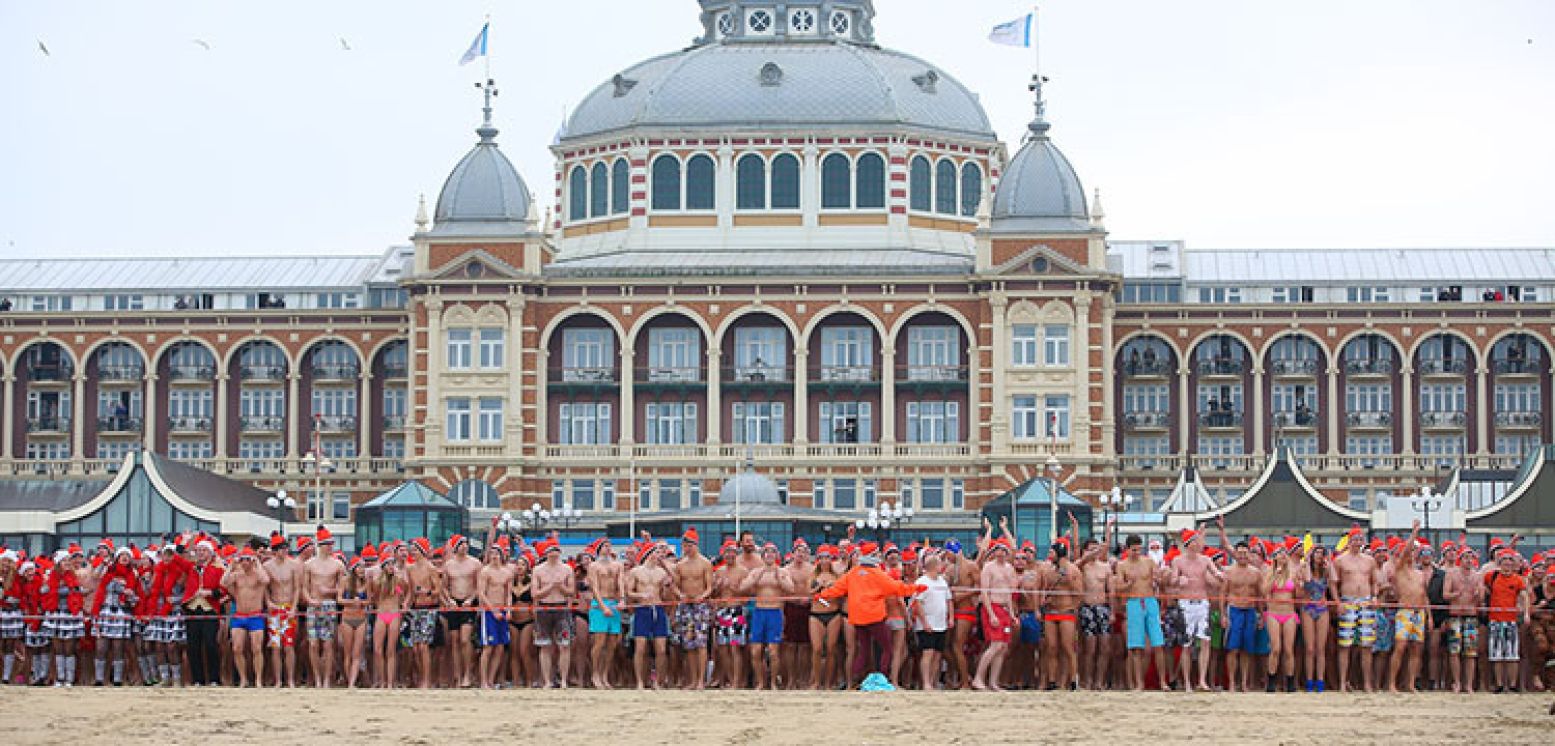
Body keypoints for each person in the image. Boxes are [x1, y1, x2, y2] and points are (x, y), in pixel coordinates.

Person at [815, 542, 922, 686]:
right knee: (887, 648)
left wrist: (822, 595)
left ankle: (852, 680)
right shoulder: (878, 574)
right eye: (877, 554)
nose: (879, 556)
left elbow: (837, 589)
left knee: (864, 651)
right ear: (873, 556)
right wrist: (916, 588)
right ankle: (881, 678)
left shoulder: (852, 573)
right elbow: (897, 588)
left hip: (857, 618)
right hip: (874, 617)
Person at [1168, 528, 1223, 692]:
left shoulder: (1205, 560)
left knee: (1205, 642)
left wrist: (1220, 576)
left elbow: (1215, 573)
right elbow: (1172, 580)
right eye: (1196, 541)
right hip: (1186, 604)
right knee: (1187, 644)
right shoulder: (1178, 561)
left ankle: (1202, 680)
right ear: (1188, 544)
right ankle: (1186, 682)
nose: (1199, 544)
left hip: (1202, 603)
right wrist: (1179, 580)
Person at [1331, 525, 1381, 692]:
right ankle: (1342, 682)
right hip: (1348, 601)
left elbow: (1374, 582)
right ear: (1349, 541)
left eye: (1360, 539)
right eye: (1354, 539)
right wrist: (1338, 602)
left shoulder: (1369, 560)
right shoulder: (1340, 560)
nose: (1357, 542)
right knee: (1345, 645)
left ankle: (1367, 683)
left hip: (1366, 602)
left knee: (1366, 645)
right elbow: (1333, 583)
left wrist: (1374, 597)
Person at [1115, 535, 1169, 691]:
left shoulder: (1149, 562)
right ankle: (1139, 683)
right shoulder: (1122, 566)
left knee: (1158, 644)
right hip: (1133, 603)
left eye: (1139, 549)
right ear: (1127, 549)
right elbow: (1118, 587)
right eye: (1133, 550)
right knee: (1136, 646)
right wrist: (1128, 584)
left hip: (1150, 601)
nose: (1137, 552)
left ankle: (1162, 682)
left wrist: (1158, 579)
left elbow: (1160, 579)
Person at [739, 543, 795, 690]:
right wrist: (756, 579)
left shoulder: (782, 572)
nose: (769, 555)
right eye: (767, 552)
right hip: (759, 612)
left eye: (772, 552)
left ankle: (773, 682)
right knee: (756, 650)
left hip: (774, 612)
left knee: (773, 651)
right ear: (762, 556)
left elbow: (791, 589)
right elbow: (743, 587)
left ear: (776, 555)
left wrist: (779, 578)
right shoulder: (756, 572)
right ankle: (760, 682)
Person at [1386, 522, 1429, 694]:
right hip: (1405, 611)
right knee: (1400, 647)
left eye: (1413, 552)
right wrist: (1414, 533)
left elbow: (1424, 595)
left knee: (1416, 649)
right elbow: (1404, 554)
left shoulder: (1420, 574)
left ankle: (1410, 683)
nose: (1411, 555)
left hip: (1419, 612)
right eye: (1409, 552)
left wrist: (1429, 615)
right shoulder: (1399, 569)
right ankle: (1392, 683)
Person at [625, 542, 675, 689]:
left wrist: (667, 587)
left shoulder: (662, 572)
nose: (658, 556)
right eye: (655, 552)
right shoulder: (636, 571)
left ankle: (658, 681)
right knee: (640, 647)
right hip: (642, 609)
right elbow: (629, 592)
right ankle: (640, 681)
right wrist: (641, 595)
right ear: (648, 554)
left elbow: (666, 594)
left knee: (661, 648)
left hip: (658, 608)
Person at [302, 527, 345, 688]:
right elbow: (304, 587)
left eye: (331, 544)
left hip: (329, 606)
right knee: (313, 644)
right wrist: (309, 600)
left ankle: (327, 679)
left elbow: (342, 590)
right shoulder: (309, 564)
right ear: (320, 545)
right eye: (327, 544)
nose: (330, 547)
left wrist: (330, 591)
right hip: (314, 605)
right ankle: (318, 678)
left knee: (328, 644)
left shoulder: (338, 565)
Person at [222, 548, 270, 688]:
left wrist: (257, 563)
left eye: (247, 560)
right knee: (237, 648)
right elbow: (224, 582)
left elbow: (265, 580)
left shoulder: (258, 575)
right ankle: (243, 678)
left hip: (255, 615)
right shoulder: (237, 575)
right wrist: (231, 566)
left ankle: (258, 679)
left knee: (256, 648)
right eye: (242, 560)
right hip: (240, 615)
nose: (245, 563)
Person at [532, 539, 577, 689]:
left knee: (564, 645)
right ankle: (547, 681)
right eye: (551, 550)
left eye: (556, 550)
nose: (554, 553)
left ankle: (563, 679)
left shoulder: (566, 569)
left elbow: (571, 592)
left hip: (561, 608)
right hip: (544, 608)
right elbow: (535, 594)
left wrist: (561, 587)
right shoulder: (538, 570)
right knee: (545, 646)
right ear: (546, 553)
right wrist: (551, 586)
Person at [673, 529, 715, 690]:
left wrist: (702, 597)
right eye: (684, 546)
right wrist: (681, 595)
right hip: (686, 606)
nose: (686, 549)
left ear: (695, 545)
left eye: (689, 546)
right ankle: (692, 679)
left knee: (701, 643)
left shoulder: (705, 563)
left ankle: (700, 680)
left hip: (700, 605)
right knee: (688, 643)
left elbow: (709, 587)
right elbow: (676, 587)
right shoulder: (680, 565)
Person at [441, 534, 482, 689]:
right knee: (455, 641)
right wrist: (448, 600)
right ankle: (457, 676)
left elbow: (479, 586)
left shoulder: (475, 563)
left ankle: (467, 674)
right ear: (455, 547)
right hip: (454, 604)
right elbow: (444, 587)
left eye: (466, 543)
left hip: (468, 603)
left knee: (465, 640)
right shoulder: (448, 565)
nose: (464, 546)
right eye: (461, 544)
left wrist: (471, 599)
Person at [1487, 549, 1531, 693]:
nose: (1507, 567)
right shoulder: (1491, 576)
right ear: (1499, 565)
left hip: (1511, 620)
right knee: (1496, 654)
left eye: (1509, 564)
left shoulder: (1518, 580)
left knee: (1512, 654)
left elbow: (1524, 596)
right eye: (1504, 564)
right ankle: (1499, 684)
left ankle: (1512, 685)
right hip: (1495, 619)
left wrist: (1526, 614)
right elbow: (1483, 587)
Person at [262, 534, 302, 688]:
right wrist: (268, 602)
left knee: (289, 646)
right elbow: (265, 587)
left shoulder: (293, 565)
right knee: (275, 647)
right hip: (275, 607)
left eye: (286, 548)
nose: (285, 551)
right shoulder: (267, 566)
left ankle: (290, 679)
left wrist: (293, 607)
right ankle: (278, 680)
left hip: (288, 607)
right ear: (275, 551)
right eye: (281, 549)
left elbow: (297, 588)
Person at [1222, 541, 1263, 692]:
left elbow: (1259, 595)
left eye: (1245, 553)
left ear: (1249, 554)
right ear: (1235, 554)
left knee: (1247, 649)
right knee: (1233, 648)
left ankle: (1244, 682)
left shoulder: (1256, 573)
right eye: (1239, 553)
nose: (1242, 556)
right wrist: (1223, 615)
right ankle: (1232, 682)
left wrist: (1261, 616)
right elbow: (1223, 594)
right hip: (1234, 609)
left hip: (1250, 611)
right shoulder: (1229, 571)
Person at [1263, 540, 1302, 692]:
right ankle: (1271, 680)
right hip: (1273, 612)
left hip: (1289, 613)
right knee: (1276, 648)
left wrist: (1299, 585)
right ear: (1275, 557)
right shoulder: (1269, 571)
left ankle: (1290, 682)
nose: (1283, 556)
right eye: (1280, 553)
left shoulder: (1293, 573)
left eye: (1285, 553)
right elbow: (1264, 591)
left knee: (1288, 649)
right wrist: (1275, 576)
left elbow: (1297, 595)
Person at [586, 537, 625, 689]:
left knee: (612, 643)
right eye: (605, 546)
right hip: (599, 605)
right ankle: (595, 674)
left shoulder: (618, 565)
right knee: (599, 641)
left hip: (614, 603)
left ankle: (604, 674)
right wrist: (603, 607)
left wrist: (622, 600)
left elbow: (620, 583)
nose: (608, 549)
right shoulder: (594, 566)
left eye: (609, 546)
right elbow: (594, 588)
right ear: (599, 548)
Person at [476, 539, 515, 689]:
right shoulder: (485, 572)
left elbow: (508, 593)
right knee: (488, 647)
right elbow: (481, 593)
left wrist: (509, 609)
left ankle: (491, 679)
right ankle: (483, 681)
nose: (494, 556)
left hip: (503, 609)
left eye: (497, 553)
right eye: (491, 553)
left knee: (500, 647)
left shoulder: (507, 572)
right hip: (489, 611)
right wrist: (493, 610)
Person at [912, 553, 952, 691]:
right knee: (927, 653)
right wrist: (924, 622)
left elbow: (948, 599)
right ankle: (926, 682)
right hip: (927, 624)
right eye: (940, 564)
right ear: (935, 566)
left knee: (937, 654)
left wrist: (950, 617)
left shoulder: (942, 581)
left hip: (941, 623)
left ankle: (934, 681)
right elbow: (917, 604)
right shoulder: (921, 582)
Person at [808, 547, 844, 690]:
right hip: (816, 614)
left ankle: (828, 683)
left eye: (827, 557)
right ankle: (816, 681)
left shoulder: (836, 577)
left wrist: (832, 587)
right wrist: (819, 587)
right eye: (822, 557)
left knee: (831, 649)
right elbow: (808, 593)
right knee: (816, 649)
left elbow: (842, 594)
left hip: (833, 613)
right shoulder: (813, 576)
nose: (824, 561)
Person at [369, 552, 408, 689]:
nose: (391, 567)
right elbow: (372, 597)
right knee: (378, 649)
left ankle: (390, 682)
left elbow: (408, 591)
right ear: (383, 566)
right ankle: (382, 680)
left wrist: (404, 604)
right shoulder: (376, 581)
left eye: (393, 564)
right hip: (381, 613)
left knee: (391, 650)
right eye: (389, 564)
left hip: (394, 613)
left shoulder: (399, 580)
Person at [1301, 544, 1335, 692]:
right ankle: (1309, 680)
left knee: (1321, 648)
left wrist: (1329, 563)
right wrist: (1307, 559)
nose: (1319, 556)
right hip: (1308, 608)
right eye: (1317, 553)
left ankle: (1320, 680)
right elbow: (1307, 580)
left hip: (1322, 609)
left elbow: (1334, 579)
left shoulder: (1325, 571)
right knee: (1310, 648)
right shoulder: (1305, 569)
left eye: (1322, 553)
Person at [336, 557, 370, 689]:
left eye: (363, 567)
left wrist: (361, 602)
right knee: (348, 652)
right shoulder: (345, 581)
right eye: (359, 567)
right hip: (347, 617)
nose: (362, 570)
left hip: (361, 617)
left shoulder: (366, 582)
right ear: (353, 568)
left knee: (357, 653)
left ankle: (352, 683)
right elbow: (339, 599)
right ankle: (348, 678)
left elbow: (369, 600)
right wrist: (351, 602)